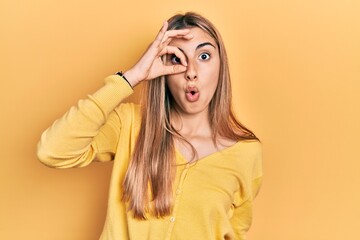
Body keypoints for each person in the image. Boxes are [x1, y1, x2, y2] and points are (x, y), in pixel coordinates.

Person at [37, 12, 262, 240]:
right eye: (177, 59)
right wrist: (131, 78)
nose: (191, 72)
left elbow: (235, 232)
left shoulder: (246, 153)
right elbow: (53, 151)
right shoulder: (130, 123)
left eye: (204, 56)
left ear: (221, 66)